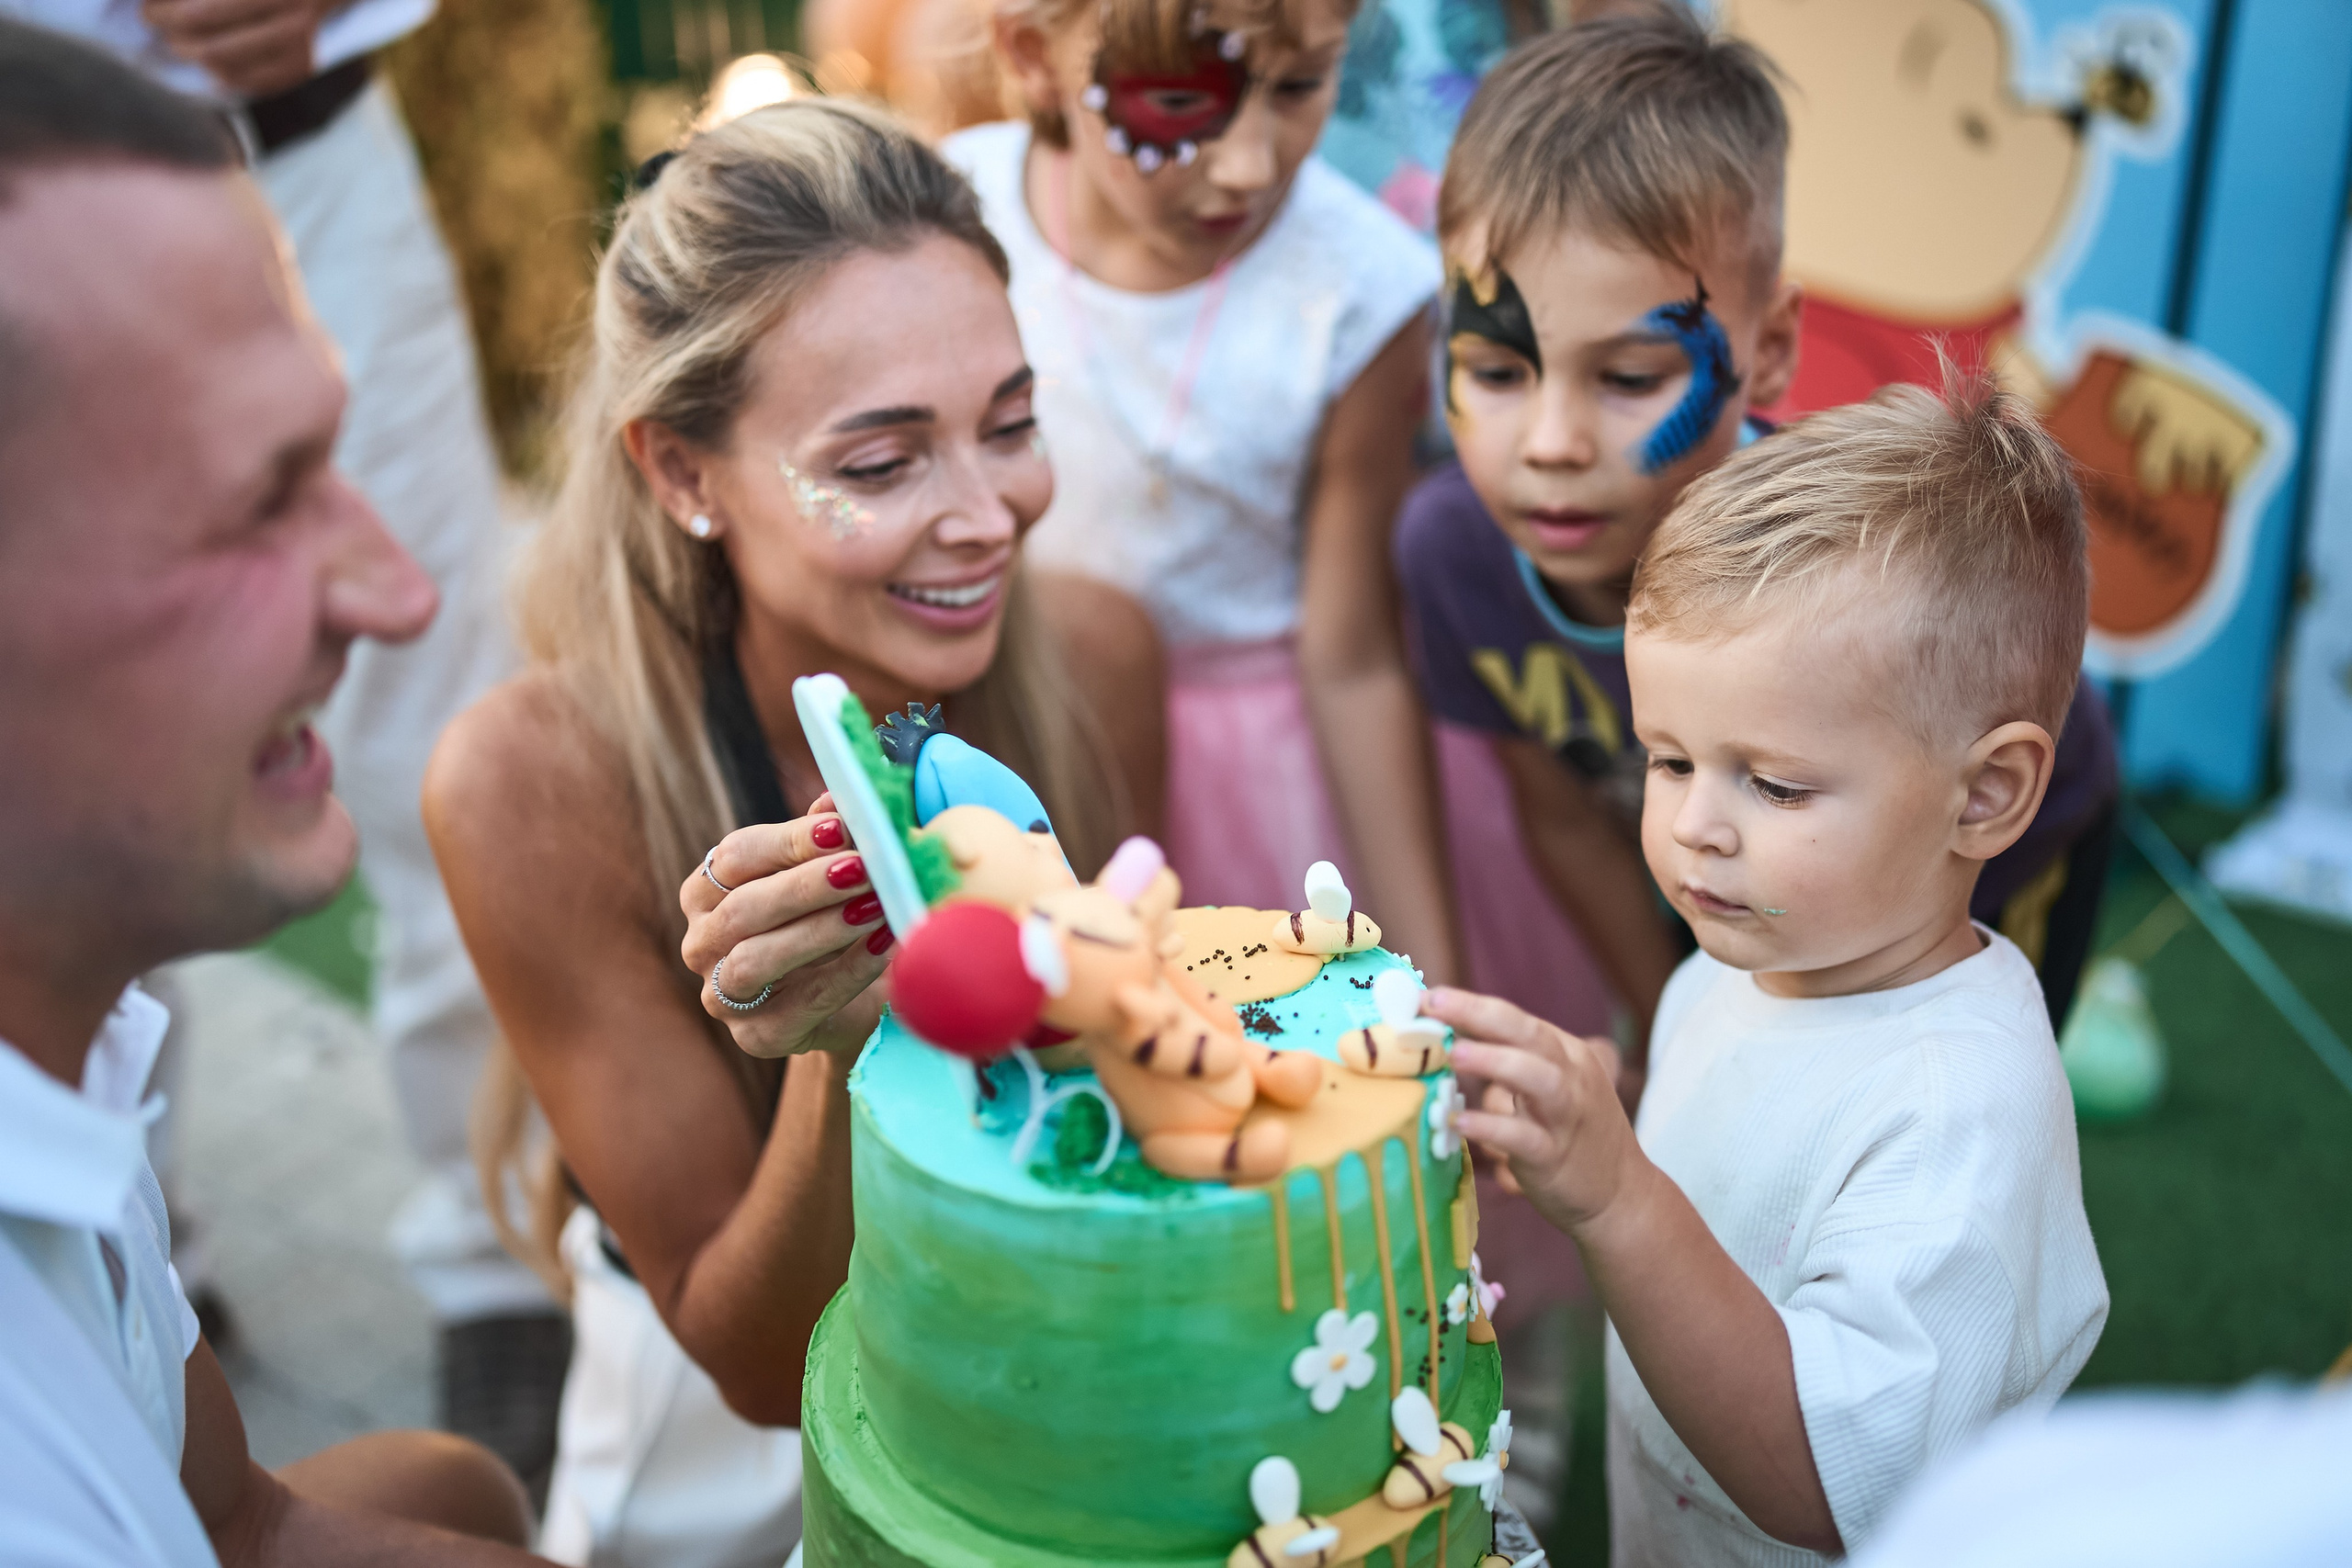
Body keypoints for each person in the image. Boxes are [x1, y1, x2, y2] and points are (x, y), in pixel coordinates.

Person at [424, 99, 1163, 1568]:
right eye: (883, 463)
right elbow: (756, 1371)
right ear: (683, 474)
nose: (985, 514)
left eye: (1010, 425)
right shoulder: (535, 781)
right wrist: (855, 1039)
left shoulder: (1102, 656)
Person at [0, 19, 543, 1565]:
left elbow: (241, 1519)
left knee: (454, 1482)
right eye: (258, 499)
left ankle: (498, 1268)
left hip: (294, 122)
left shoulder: (62, 1060)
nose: (401, 593)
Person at [1427, 371, 2110, 1564]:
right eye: (1670, 758)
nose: (1696, 823)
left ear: (1988, 792)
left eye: (1776, 781)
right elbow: (1752, 1166)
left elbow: (1820, 1480)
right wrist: (1610, 1121)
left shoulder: (1959, 1114)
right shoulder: (1761, 955)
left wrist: (1617, 1195)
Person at [1399, 11, 2121, 1075]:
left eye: (1631, 378)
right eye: (1498, 373)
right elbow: (1562, 820)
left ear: (1771, 349)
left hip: (1993, 840)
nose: (1549, 444)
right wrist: (1673, 1044)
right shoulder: (1452, 554)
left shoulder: (1835, 572)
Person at [947, 0, 1464, 983]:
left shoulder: (1363, 290)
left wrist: (1433, 977)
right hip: (1024, 735)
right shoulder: (952, 213)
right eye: (1182, 100)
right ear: (1034, 56)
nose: (1251, 165)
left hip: (1262, 780)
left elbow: (1349, 655)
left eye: (1304, 85)